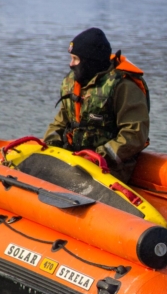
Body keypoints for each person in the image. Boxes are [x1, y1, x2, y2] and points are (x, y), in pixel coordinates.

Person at [43, 27, 150, 183]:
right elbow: (61, 121)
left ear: (90, 61)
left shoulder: (123, 86)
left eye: (75, 59)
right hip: (74, 160)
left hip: (107, 169)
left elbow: (134, 134)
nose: (70, 64)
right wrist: (49, 148)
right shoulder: (71, 84)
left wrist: (98, 156)